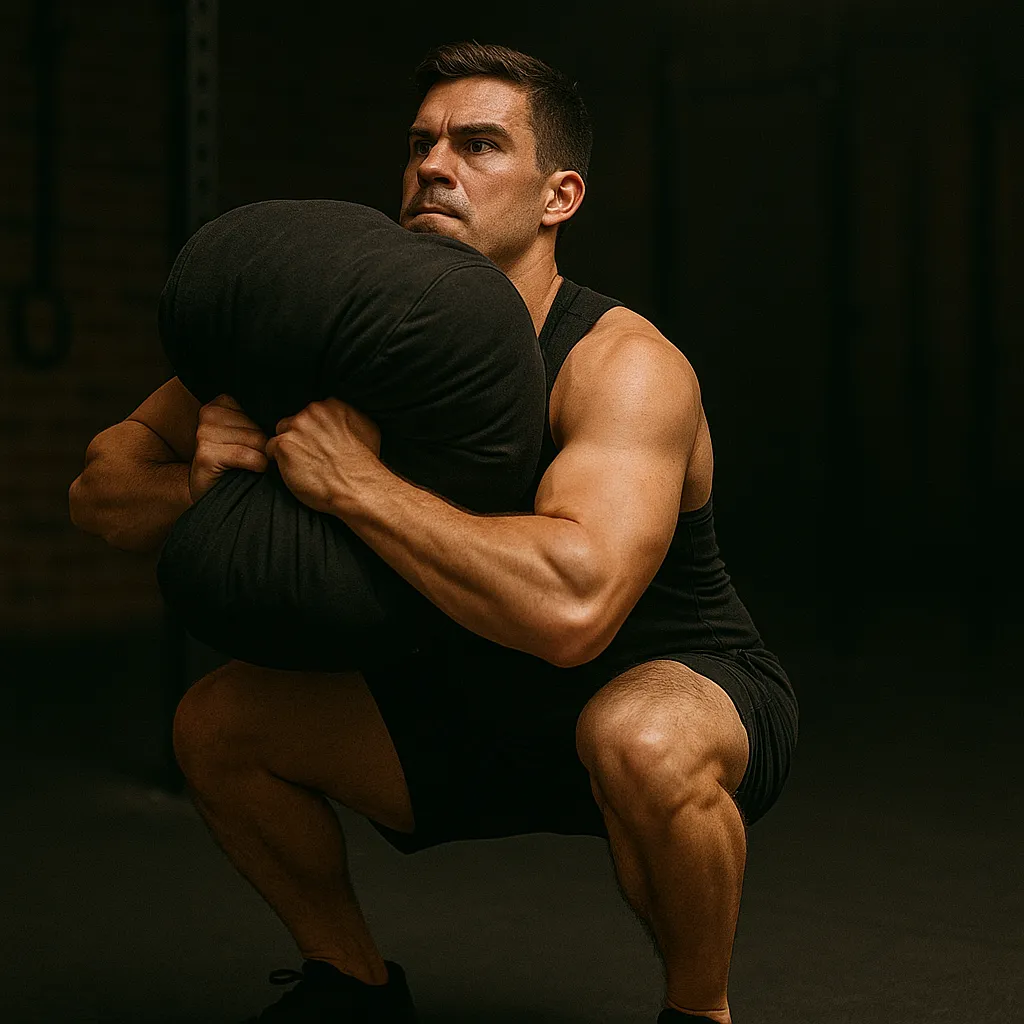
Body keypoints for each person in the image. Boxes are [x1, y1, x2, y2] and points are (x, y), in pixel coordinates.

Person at [69, 40, 798, 1024]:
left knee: (638, 736)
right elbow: (99, 493)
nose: (434, 165)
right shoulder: (336, 319)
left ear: (558, 197)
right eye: (421, 144)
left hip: (659, 675)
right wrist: (199, 478)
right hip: (463, 690)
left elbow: (573, 610)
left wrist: (355, 484)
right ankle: (351, 987)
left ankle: (697, 1011)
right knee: (220, 722)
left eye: (480, 144)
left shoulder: (618, 364)